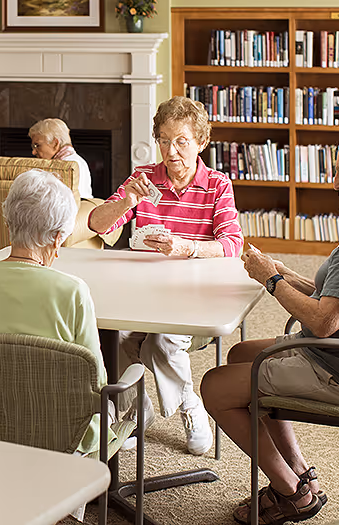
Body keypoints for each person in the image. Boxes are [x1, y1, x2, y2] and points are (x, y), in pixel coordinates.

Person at [201, 129, 339, 525]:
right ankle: (301, 472)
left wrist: (272, 281)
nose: (334, 182)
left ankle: (290, 492)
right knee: (240, 354)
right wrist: (284, 273)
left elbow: (322, 322)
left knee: (214, 387)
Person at [88, 95, 244, 456]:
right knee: (115, 333)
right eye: (163, 140)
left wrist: (187, 247)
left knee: (161, 342)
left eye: (181, 141)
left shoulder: (217, 184)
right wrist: (126, 200)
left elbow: (232, 244)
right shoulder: (143, 180)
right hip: (141, 289)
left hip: (193, 294)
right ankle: (136, 409)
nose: (171, 151)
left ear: (201, 142)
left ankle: (191, 404)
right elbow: (98, 224)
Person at [0, 169, 113, 454]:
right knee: (111, 402)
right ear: (58, 237)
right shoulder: (72, 291)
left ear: (8, 222)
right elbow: (95, 380)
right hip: (62, 435)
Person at [28, 119, 93, 199]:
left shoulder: (63, 167)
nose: (33, 152)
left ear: (55, 143)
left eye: (37, 145)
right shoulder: (78, 160)